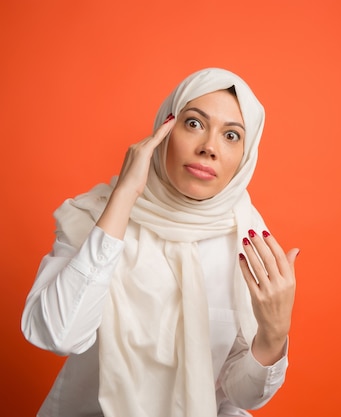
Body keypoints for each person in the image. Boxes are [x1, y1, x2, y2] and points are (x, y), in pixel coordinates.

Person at [21, 67, 299, 417]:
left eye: (231, 136)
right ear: (165, 130)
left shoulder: (248, 243)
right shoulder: (93, 216)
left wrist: (273, 337)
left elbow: (238, 395)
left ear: (245, 156)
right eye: (194, 123)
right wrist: (123, 197)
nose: (209, 147)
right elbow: (57, 335)